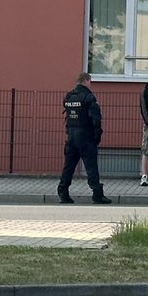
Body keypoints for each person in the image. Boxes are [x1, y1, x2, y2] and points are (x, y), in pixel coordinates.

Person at [58, 72, 111, 205]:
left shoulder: (69, 97)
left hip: (71, 136)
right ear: (87, 80)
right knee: (91, 167)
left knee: (68, 166)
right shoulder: (88, 97)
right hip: (86, 137)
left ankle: (63, 192)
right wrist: (97, 135)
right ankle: (97, 194)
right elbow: (96, 118)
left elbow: (68, 117)